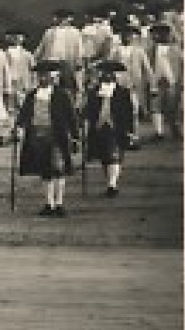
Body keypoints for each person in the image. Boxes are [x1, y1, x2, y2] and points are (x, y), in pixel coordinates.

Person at [15, 59, 80, 217]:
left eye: (46, 75)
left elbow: (72, 117)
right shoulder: (32, 95)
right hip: (36, 135)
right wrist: (19, 128)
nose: (43, 78)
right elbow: (24, 114)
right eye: (40, 75)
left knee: (58, 169)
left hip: (57, 135)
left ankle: (59, 203)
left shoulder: (62, 94)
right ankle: (48, 203)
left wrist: (75, 136)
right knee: (44, 171)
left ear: (54, 77)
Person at [84, 60, 135, 197]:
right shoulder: (94, 92)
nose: (107, 75)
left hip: (117, 127)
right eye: (104, 73)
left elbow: (129, 112)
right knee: (104, 157)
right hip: (99, 128)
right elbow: (88, 110)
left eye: (110, 73)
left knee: (115, 155)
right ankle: (110, 182)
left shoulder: (122, 92)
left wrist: (130, 130)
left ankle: (112, 184)